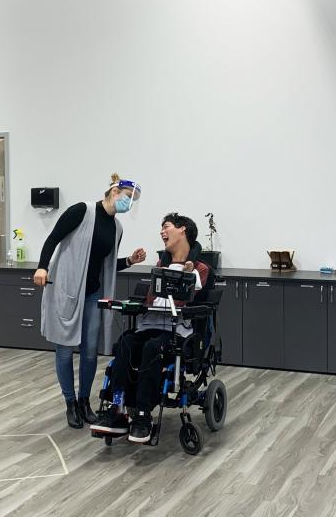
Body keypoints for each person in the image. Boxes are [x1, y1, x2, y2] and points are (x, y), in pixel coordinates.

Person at [35, 174, 147, 429]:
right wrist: (42, 267)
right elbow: (52, 239)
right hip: (66, 289)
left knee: (89, 350)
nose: (129, 204)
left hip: (92, 293)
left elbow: (106, 265)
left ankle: (85, 401)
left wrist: (129, 261)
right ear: (114, 191)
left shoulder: (116, 228)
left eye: (133, 202)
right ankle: (70, 403)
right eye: (127, 198)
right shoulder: (82, 211)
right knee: (64, 348)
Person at [91, 213, 210, 443]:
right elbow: (150, 300)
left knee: (153, 348)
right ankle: (117, 407)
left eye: (166, 227)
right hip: (150, 324)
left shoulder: (201, 268)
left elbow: (195, 291)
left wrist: (187, 270)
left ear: (182, 229)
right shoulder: (159, 265)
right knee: (125, 343)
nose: (162, 232)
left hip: (176, 331)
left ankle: (144, 414)